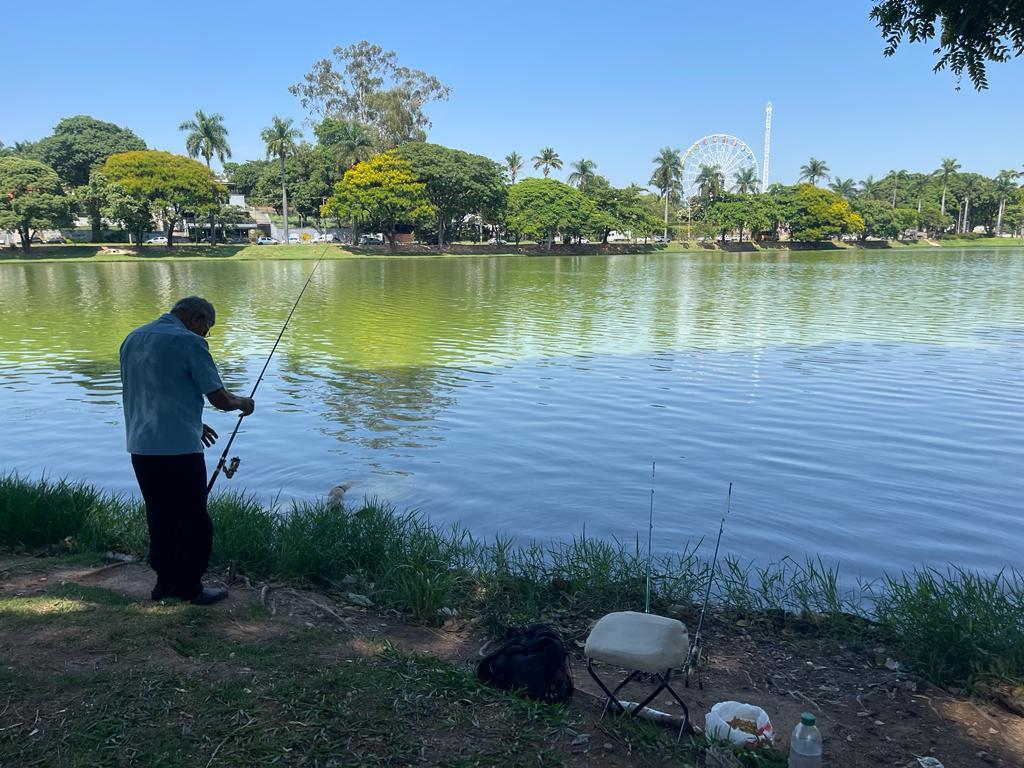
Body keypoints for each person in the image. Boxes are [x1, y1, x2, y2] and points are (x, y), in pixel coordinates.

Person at [119, 296, 255, 605]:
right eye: (208, 328)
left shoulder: (134, 338)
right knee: (194, 520)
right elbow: (220, 399)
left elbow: (155, 392)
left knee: (160, 516)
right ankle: (191, 588)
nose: (206, 335)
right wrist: (244, 403)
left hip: (141, 447)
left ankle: (165, 585)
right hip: (179, 452)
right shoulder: (190, 343)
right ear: (196, 319)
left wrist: (194, 422)